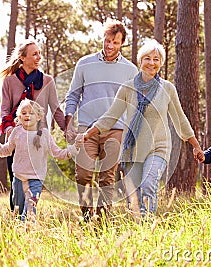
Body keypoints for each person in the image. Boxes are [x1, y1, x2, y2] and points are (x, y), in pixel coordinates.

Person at [78, 39, 203, 218]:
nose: (151, 63)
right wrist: (89, 133)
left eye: (156, 59)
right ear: (140, 61)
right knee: (133, 195)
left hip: (158, 148)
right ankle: (137, 229)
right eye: (147, 58)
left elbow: (180, 120)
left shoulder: (167, 89)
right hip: (133, 150)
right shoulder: (128, 88)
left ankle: (147, 227)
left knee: (148, 184)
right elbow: (111, 116)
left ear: (161, 63)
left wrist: (195, 145)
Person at [65, 19, 138, 221]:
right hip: (86, 127)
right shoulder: (85, 64)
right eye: (107, 40)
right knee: (83, 175)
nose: (109, 46)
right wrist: (68, 121)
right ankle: (87, 215)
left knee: (107, 177)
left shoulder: (130, 70)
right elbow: (73, 95)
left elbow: (132, 104)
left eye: (115, 42)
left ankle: (102, 219)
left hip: (116, 128)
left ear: (122, 43)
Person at [0, 39, 71, 214]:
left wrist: (67, 130)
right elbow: (5, 109)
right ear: (22, 58)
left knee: (34, 181)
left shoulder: (47, 81)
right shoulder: (10, 81)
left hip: (38, 138)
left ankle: (29, 218)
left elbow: (56, 110)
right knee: (17, 182)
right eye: (34, 54)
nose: (39, 57)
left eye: (39, 53)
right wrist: (10, 131)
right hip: (17, 137)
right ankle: (17, 218)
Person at [0, 99, 79, 220]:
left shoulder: (44, 134)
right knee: (18, 210)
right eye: (24, 113)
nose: (27, 115)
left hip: (36, 179)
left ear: (38, 117)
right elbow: (6, 150)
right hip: (19, 178)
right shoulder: (17, 132)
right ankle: (19, 232)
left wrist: (73, 149)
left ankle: (27, 229)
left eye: (31, 113)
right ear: (19, 117)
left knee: (30, 208)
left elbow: (58, 153)